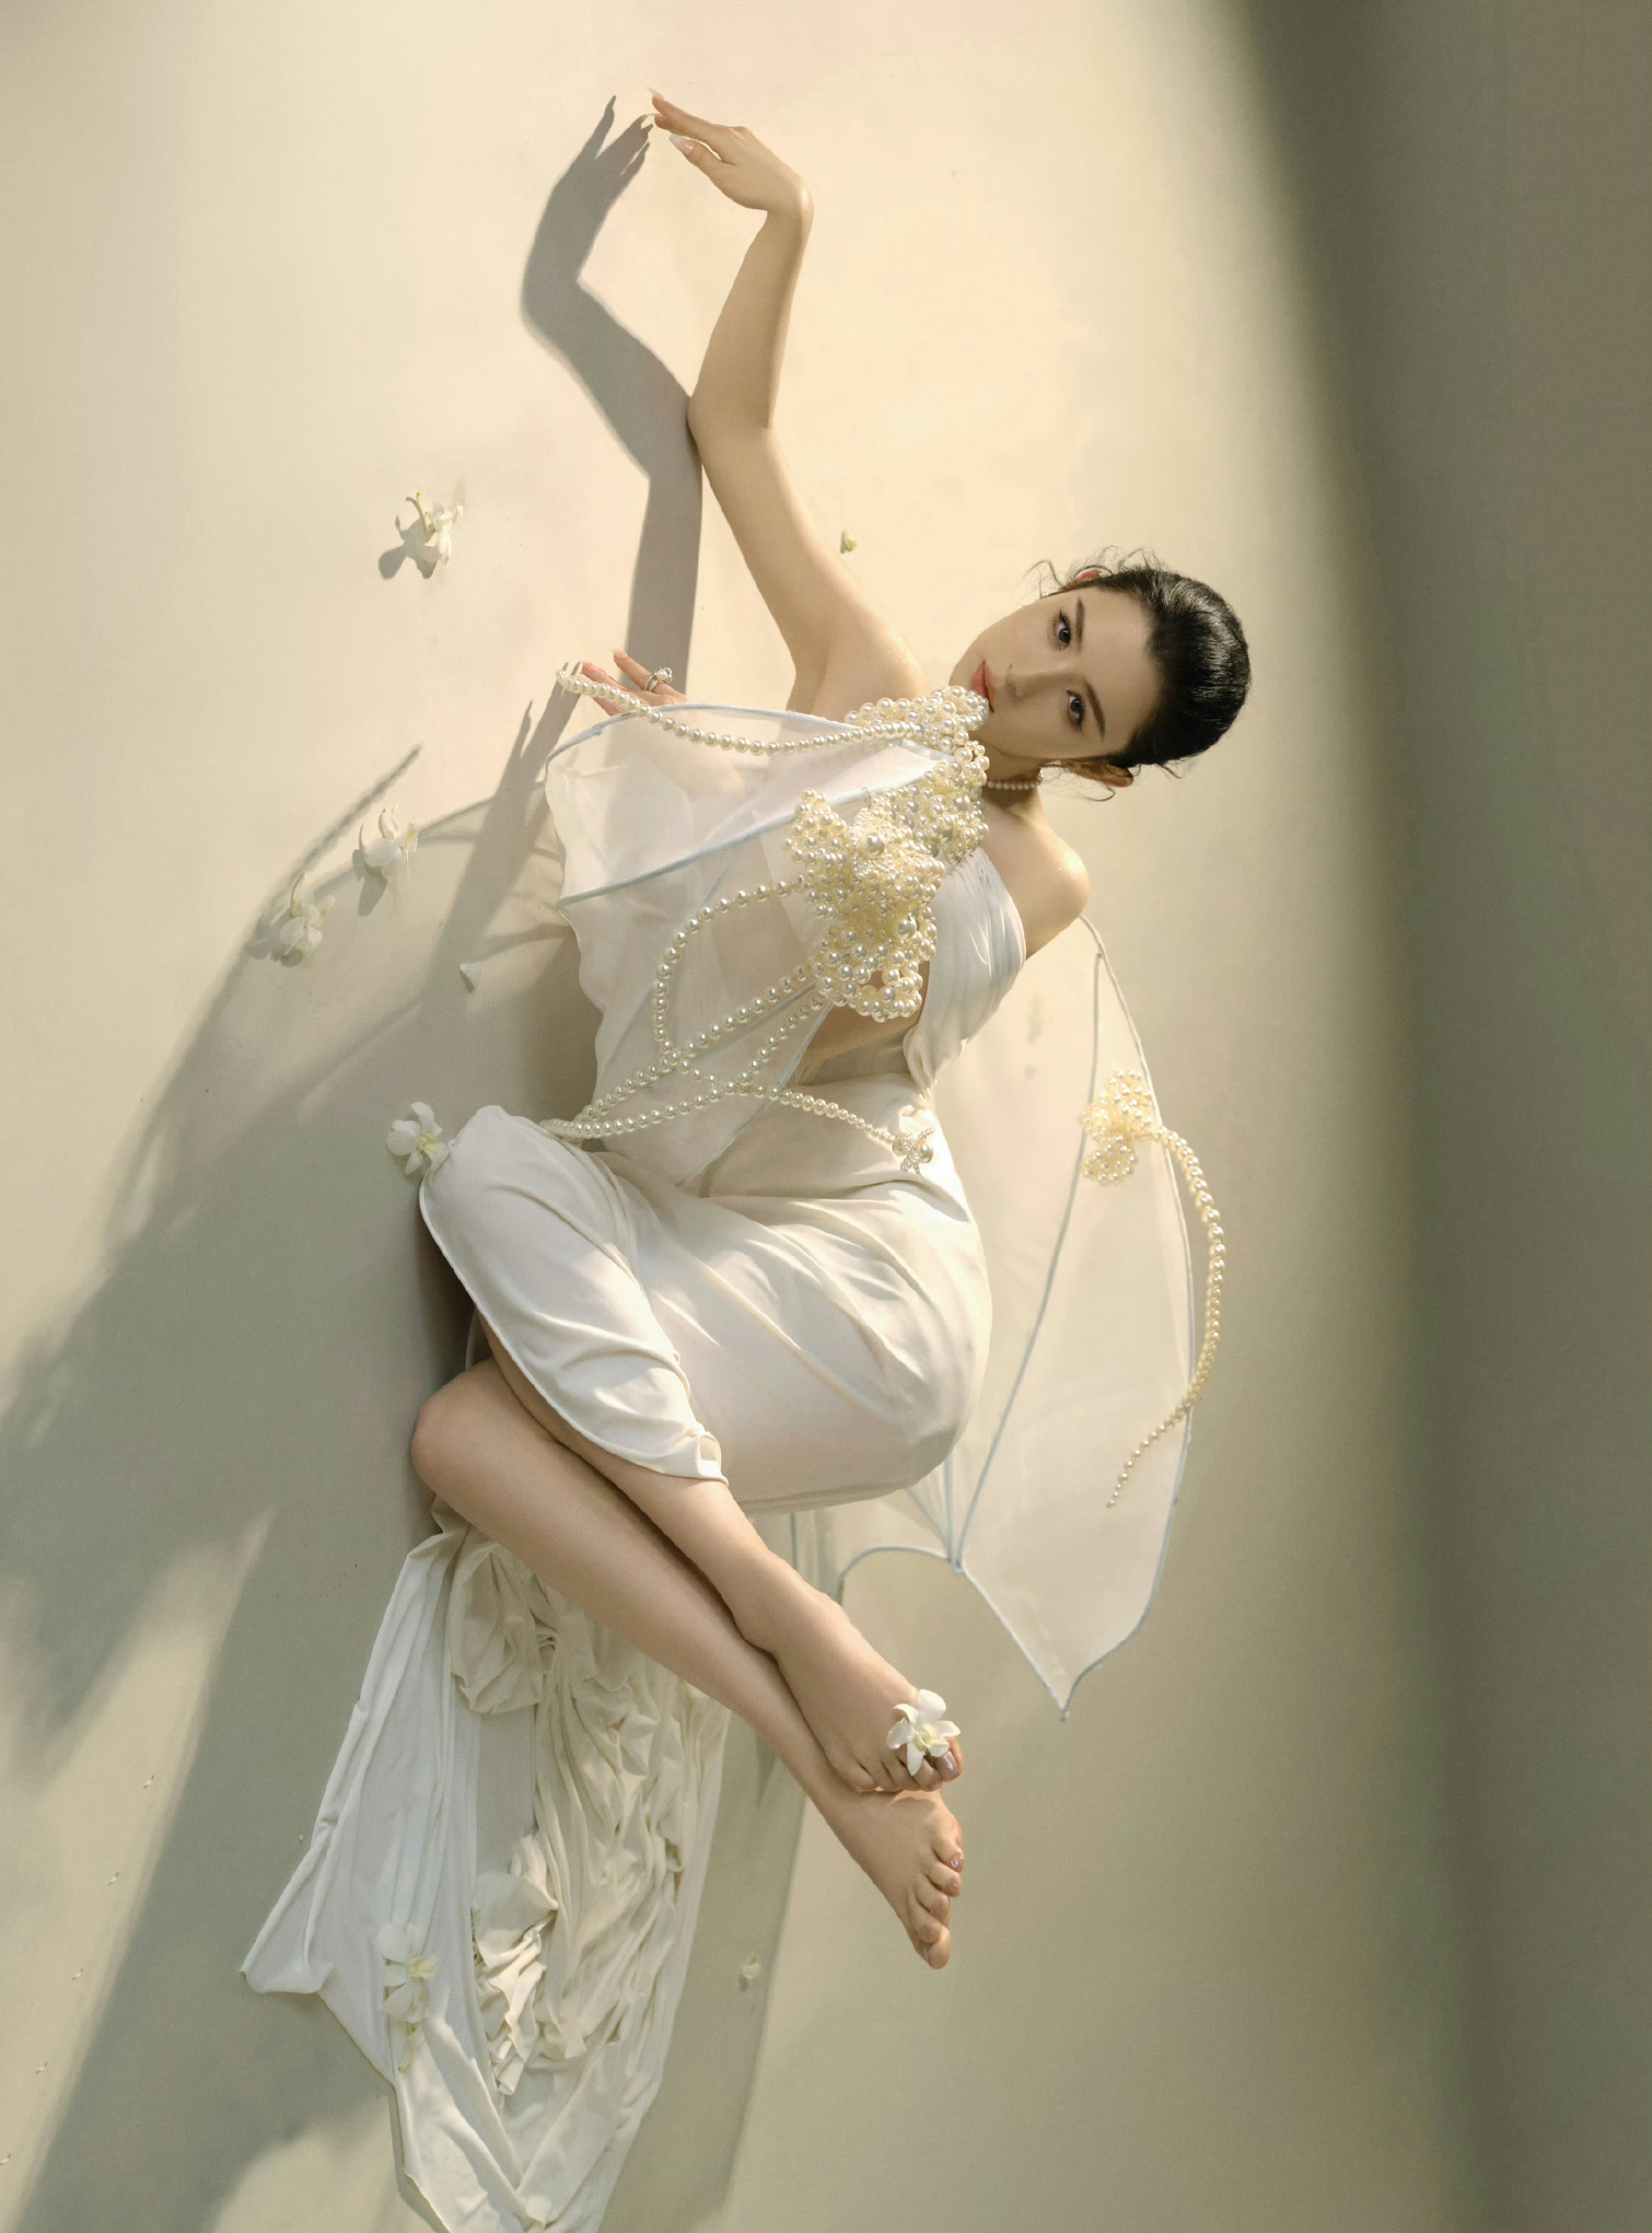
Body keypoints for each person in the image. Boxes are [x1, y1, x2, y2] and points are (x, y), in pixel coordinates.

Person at [244, 93, 1247, 2233]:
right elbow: (734, 435)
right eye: (1063, 625)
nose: (1025, 674)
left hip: (869, 1305)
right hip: (681, 1220)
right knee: (466, 1357)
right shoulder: (868, 686)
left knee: (510, 1246)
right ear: (1057, 588)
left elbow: (815, 1023)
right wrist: (790, 221)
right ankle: (811, 1692)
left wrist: (721, 804)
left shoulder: (1024, 879)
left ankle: (801, 1661)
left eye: (1078, 710)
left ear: (1096, 776)